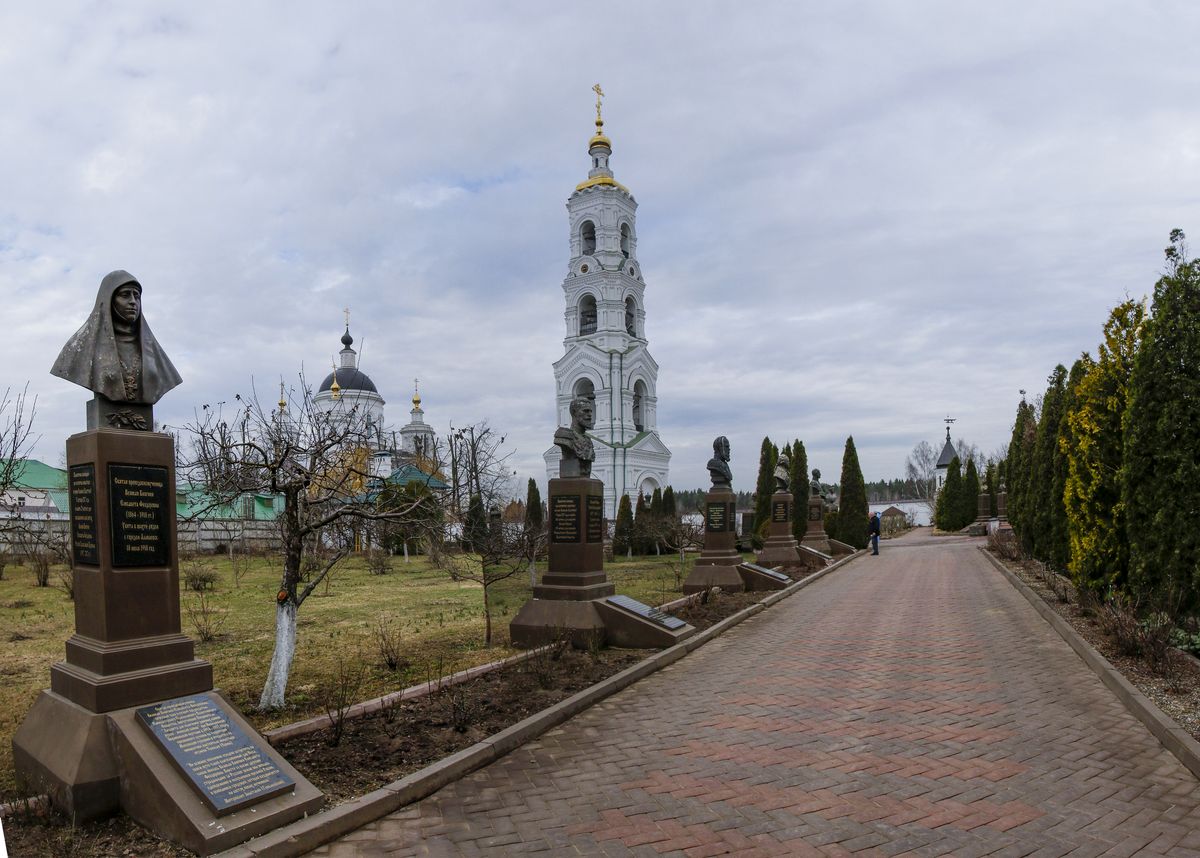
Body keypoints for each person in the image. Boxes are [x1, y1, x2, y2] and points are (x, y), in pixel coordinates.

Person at [51, 270, 182, 429]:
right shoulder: (79, 349)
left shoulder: (154, 353)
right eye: (125, 295)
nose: (133, 301)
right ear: (109, 299)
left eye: (137, 296)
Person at [553, 396, 596, 478]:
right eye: (585, 411)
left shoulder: (588, 441)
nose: (590, 415)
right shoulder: (564, 436)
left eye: (591, 411)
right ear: (574, 412)